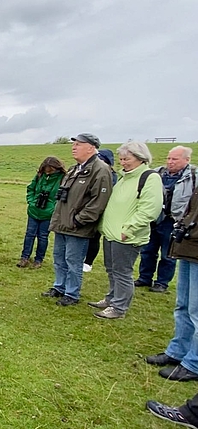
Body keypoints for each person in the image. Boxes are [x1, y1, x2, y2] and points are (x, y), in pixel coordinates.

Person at [87, 142, 163, 319]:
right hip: (111, 233)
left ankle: (119, 307)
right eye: (121, 159)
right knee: (111, 269)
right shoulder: (124, 178)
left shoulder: (149, 178)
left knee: (122, 272)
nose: (123, 162)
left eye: (127, 159)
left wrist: (129, 229)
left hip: (126, 236)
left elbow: (149, 209)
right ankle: (111, 298)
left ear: (140, 158)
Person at [42, 133, 112, 306]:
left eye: (79, 144)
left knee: (73, 261)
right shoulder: (75, 169)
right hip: (62, 223)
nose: (74, 147)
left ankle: (72, 293)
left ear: (91, 147)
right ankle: (59, 287)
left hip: (77, 226)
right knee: (59, 258)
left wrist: (79, 220)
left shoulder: (100, 170)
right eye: (74, 144)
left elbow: (98, 202)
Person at [144, 183, 198, 382]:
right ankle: (177, 351)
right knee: (183, 305)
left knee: (196, 310)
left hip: (193, 246)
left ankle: (194, 363)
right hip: (187, 247)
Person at [136, 146, 196, 292]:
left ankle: (162, 282)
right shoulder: (157, 173)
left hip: (174, 220)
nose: (170, 162)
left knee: (167, 253)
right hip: (155, 218)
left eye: (174, 159)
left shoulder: (193, 176)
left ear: (187, 160)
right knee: (147, 250)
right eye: (168, 158)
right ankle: (144, 278)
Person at [17, 156, 67, 269]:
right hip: (34, 210)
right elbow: (30, 189)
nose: (48, 173)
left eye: (51, 170)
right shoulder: (39, 176)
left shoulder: (63, 178)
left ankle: (38, 260)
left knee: (43, 236)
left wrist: (54, 208)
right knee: (29, 234)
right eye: (46, 170)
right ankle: (24, 257)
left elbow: (62, 196)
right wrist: (31, 201)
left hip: (49, 214)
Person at [83, 149, 118, 272]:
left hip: (101, 210)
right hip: (88, 208)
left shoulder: (110, 176)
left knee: (94, 236)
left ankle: (88, 262)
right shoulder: (93, 172)